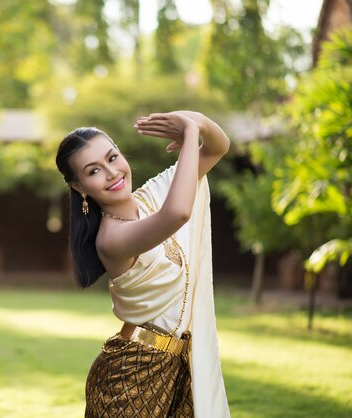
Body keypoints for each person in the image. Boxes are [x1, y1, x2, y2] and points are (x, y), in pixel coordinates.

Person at [55, 111, 232, 418]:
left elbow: (218, 147)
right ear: (79, 187)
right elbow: (177, 213)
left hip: (178, 367)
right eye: (93, 171)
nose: (111, 172)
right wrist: (190, 133)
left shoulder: (152, 196)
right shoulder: (111, 239)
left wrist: (198, 121)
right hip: (130, 374)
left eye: (112, 157)